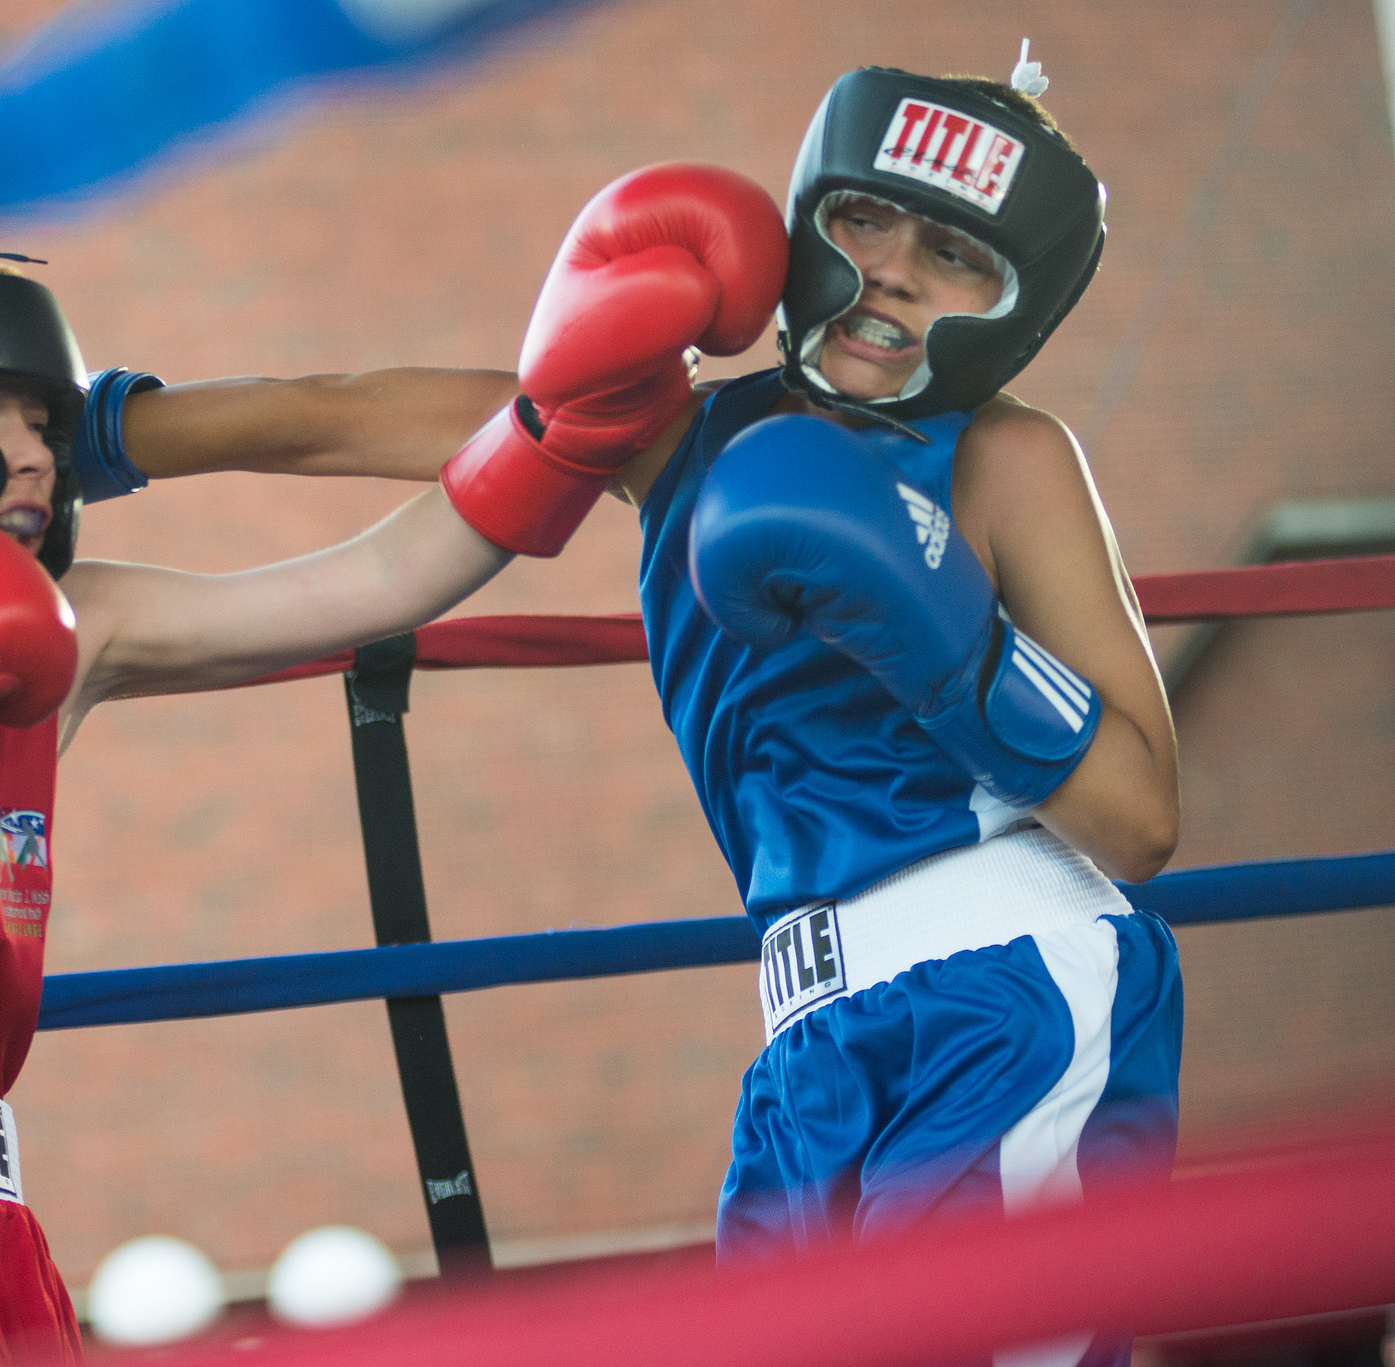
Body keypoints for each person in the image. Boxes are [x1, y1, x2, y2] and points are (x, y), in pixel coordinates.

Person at [100, 56, 1182, 1365]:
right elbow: (354, 415)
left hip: (1011, 983)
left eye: (952, 251)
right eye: (864, 221)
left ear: (1016, 309)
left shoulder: (1010, 458)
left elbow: (1138, 817)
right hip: (808, 1034)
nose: (891, 268)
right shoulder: (683, 434)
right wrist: (100, 434)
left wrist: (952, 638)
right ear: (802, 223)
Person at [0, 198, 785, 1366]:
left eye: (41, 423)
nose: (31, 455)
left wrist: (562, 430)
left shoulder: (71, 624)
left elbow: (368, 584)